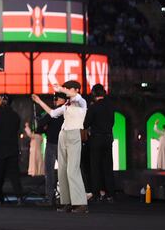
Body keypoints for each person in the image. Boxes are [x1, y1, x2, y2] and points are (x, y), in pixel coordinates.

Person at [32, 81, 88, 213]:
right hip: (62, 135)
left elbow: (76, 96)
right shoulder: (67, 105)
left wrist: (61, 89)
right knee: (62, 170)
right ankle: (66, 202)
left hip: (74, 134)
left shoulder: (81, 102)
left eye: (69, 89)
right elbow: (52, 113)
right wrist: (39, 101)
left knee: (72, 169)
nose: (66, 91)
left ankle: (80, 203)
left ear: (76, 89)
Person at [0, 94, 24, 205]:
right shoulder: (15, 116)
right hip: (12, 148)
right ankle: (19, 198)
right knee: (14, 175)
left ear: (4, 101)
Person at [34, 92, 66, 204]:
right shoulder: (67, 110)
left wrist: (45, 127)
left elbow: (40, 125)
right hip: (64, 144)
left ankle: (49, 197)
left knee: (49, 171)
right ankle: (65, 198)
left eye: (55, 99)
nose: (54, 101)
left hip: (52, 143)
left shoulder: (54, 112)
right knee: (64, 171)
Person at [85, 84, 115, 201]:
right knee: (108, 166)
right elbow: (112, 122)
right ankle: (110, 193)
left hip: (96, 139)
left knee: (95, 167)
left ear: (94, 94)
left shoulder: (93, 107)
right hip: (108, 138)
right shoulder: (110, 106)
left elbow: (86, 124)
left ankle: (96, 193)